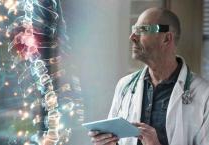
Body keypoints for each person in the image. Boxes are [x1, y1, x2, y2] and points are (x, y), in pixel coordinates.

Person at [88, 7, 209, 145]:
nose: (132, 37)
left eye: (142, 30)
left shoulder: (204, 94)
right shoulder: (125, 86)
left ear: (166, 38)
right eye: (134, 30)